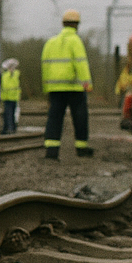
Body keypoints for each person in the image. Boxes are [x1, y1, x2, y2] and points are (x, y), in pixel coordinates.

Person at [41, 9, 93, 159]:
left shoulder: (51, 42)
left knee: (54, 118)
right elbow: (81, 63)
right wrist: (87, 84)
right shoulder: (75, 41)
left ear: (63, 23)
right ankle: (81, 148)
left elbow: (45, 65)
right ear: (77, 25)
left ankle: (51, 151)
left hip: (55, 89)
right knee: (80, 117)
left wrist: (46, 88)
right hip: (75, 88)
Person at [0, 58, 21, 134]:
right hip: (8, 97)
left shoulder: (12, 74)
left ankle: (10, 128)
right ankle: (8, 128)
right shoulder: (8, 74)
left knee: (9, 114)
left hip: (11, 97)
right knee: (8, 114)